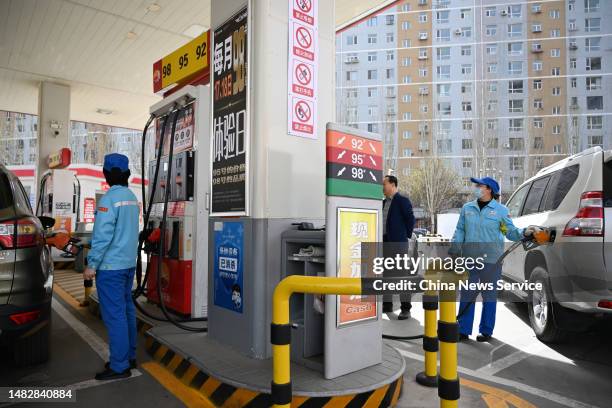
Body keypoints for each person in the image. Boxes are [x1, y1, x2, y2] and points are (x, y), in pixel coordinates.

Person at [450, 177, 538, 342]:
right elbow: (460, 230)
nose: (476, 188)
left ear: (489, 189)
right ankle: (463, 330)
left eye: (479, 185)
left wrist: (525, 232)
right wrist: (454, 250)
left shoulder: (500, 211)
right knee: (467, 295)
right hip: (469, 260)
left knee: (489, 296)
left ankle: (486, 331)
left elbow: (509, 231)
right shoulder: (467, 208)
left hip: (491, 261)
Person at [84, 154, 140, 380]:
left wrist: (91, 264)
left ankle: (119, 366)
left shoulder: (108, 200)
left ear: (107, 174)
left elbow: (103, 236)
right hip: (128, 265)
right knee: (127, 311)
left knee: (115, 316)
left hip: (110, 267)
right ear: (126, 174)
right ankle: (130, 357)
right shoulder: (132, 197)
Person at [382, 175, 416, 320]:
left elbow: (410, 219)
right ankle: (387, 305)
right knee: (385, 274)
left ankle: (405, 309)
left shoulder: (402, 200)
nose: (382, 187)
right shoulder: (383, 203)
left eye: (384, 184)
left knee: (402, 276)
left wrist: (405, 237)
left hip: (398, 244)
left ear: (392, 184)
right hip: (384, 242)